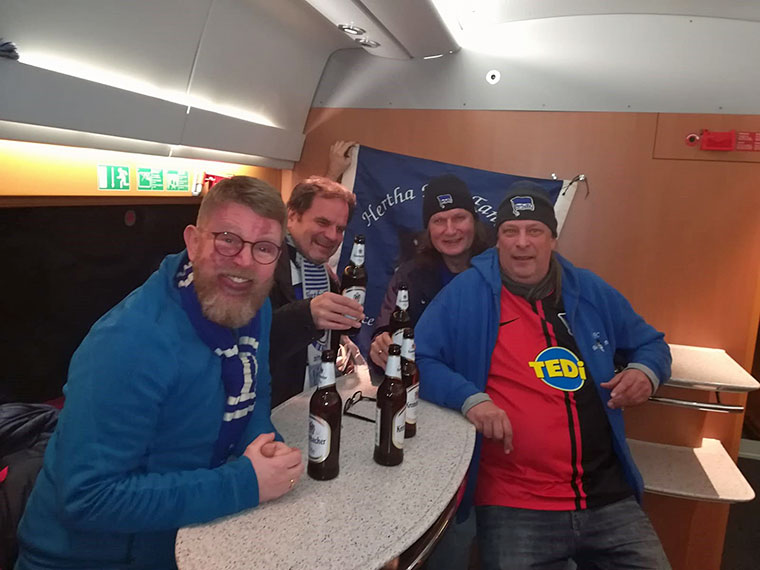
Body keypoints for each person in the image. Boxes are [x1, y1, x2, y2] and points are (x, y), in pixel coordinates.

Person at [15, 176, 304, 570]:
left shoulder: (253, 306)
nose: (244, 262)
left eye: (264, 248)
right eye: (227, 239)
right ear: (193, 242)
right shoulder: (129, 342)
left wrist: (264, 446)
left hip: (187, 541)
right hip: (85, 559)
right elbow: (87, 498)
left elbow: (255, 395)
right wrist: (245, 483)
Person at [416, 180, 672, 569]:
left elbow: (652, 344)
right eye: (510, 231)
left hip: (606, 495)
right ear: (497, 240)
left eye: (534, 230)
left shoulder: (589, 289)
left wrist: (645, 372)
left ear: (552, 239)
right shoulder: (467, 292)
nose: (522, 243)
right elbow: (419, 358)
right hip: (515, 500)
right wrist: (471, 399)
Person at [369, 173, 492, 370]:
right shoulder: (409, 276)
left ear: (474, 222)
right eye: (439, 221)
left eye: (459, 218)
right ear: (428, 230)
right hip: (425, 379)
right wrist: (380, 343)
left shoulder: (497, 272)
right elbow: (388, 328)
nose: (450, 230)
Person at [268, 175, 364, 406]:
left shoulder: (327, 277)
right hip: (269, 409)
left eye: (340, 228)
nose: (332, 236)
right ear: (292, 216)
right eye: (322, 222)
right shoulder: (264, 265)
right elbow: (249, 341)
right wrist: (306, 315)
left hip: (310, 403)